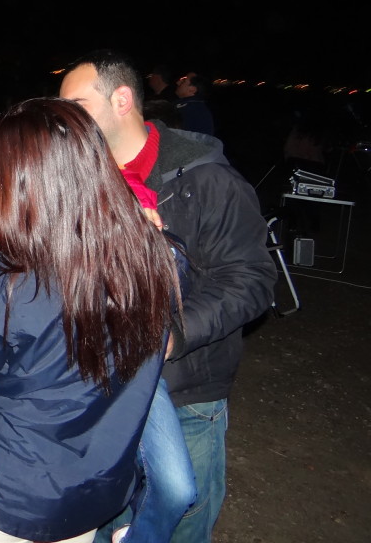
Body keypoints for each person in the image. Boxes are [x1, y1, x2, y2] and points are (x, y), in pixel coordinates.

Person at [0, 133, 195, 543]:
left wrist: (139, 206)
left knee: (177, 485)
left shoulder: (36, 207)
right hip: (64, 380)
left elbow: (107, 184)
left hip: (127, 356)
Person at [60, 51, 276, 543]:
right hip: (100, 390)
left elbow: (251, 279)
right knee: (99, 521)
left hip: (185, 392)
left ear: (122, 100)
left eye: (77, 104)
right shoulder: (76, 178)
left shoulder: (202, 178)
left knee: (178, 521)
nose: (65, 119)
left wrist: (174, 336)